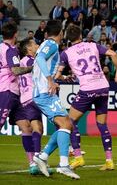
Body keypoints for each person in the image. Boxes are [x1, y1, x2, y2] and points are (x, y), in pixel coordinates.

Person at [55, 24, 117, 170]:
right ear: (80, 35)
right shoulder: (93, 45)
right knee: (102, 125)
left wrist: (65, 77)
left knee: (70, 121)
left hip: (87, 89)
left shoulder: (66, 53)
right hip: (103, 87)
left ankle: (78, 157)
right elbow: (114, 54)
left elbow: (57, 75)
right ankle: (109, 161)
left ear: (68, 38)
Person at [31, 20, 80, 179]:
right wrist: (50, 80)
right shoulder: (51, 45)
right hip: (44, 93)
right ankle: (64, 165)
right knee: (66, 124)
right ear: (60, 33)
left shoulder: (46, 44)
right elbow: (39, 61)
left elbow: (40, 64)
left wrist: (60, 78)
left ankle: (42, 157)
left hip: (46, 92)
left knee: (65, 125)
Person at [12, 38, 44, 175]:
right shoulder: (32, 61)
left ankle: (33, 163)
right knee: (39, 128)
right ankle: (69, 148)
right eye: (35, 44)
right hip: (33, 97)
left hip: (21, 98)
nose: (38, 45)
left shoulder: (20, 63)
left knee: (28, 129)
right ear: (29, 49)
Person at [0, 21, 33, 130]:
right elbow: (15, 70)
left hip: (13, 92)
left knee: (26, 126)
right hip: (8, 91)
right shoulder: (10, 50)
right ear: (15, 34)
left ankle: (32, 148)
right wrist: (34, 68)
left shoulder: (1, 47)